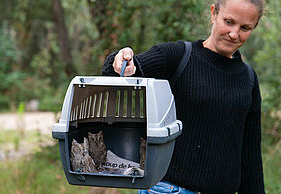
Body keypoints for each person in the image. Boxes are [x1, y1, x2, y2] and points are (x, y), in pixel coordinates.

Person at [102, 0, 265, 193]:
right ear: (213, 13)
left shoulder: (248, 78)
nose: (234, 34)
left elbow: (250, 155)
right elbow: (118, 74)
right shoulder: (179, 56)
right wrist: (121, 60)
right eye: (229, 22)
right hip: (168, 189)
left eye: (245, 27)